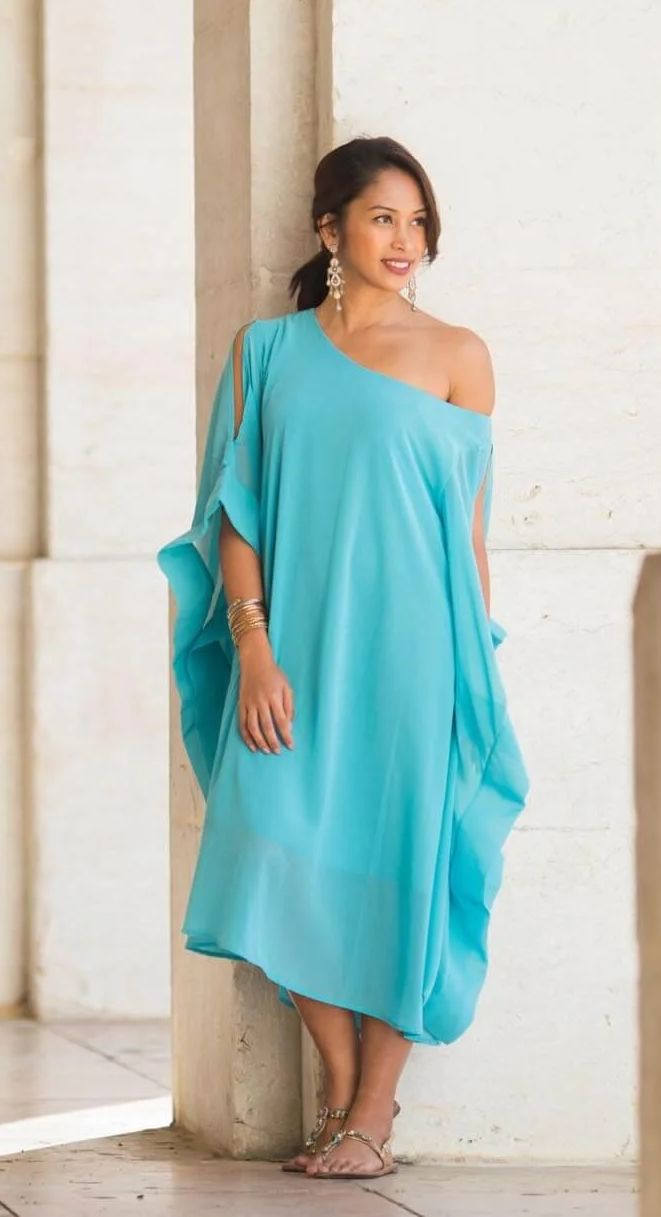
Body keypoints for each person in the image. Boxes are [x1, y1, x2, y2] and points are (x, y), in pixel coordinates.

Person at [159, 137, 528, 1180]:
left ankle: (373, 1110)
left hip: (420, 653)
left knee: (406, 866)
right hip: (298, 649)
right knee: (267, 841)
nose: (403, 240)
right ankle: (336, 1076)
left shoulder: (459, 353)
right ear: (329, 229)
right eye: (380, 218)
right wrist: (253, 642)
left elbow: (466, 531)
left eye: (416, 221)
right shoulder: (265, 352)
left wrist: (477, 667)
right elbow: (239, 511)